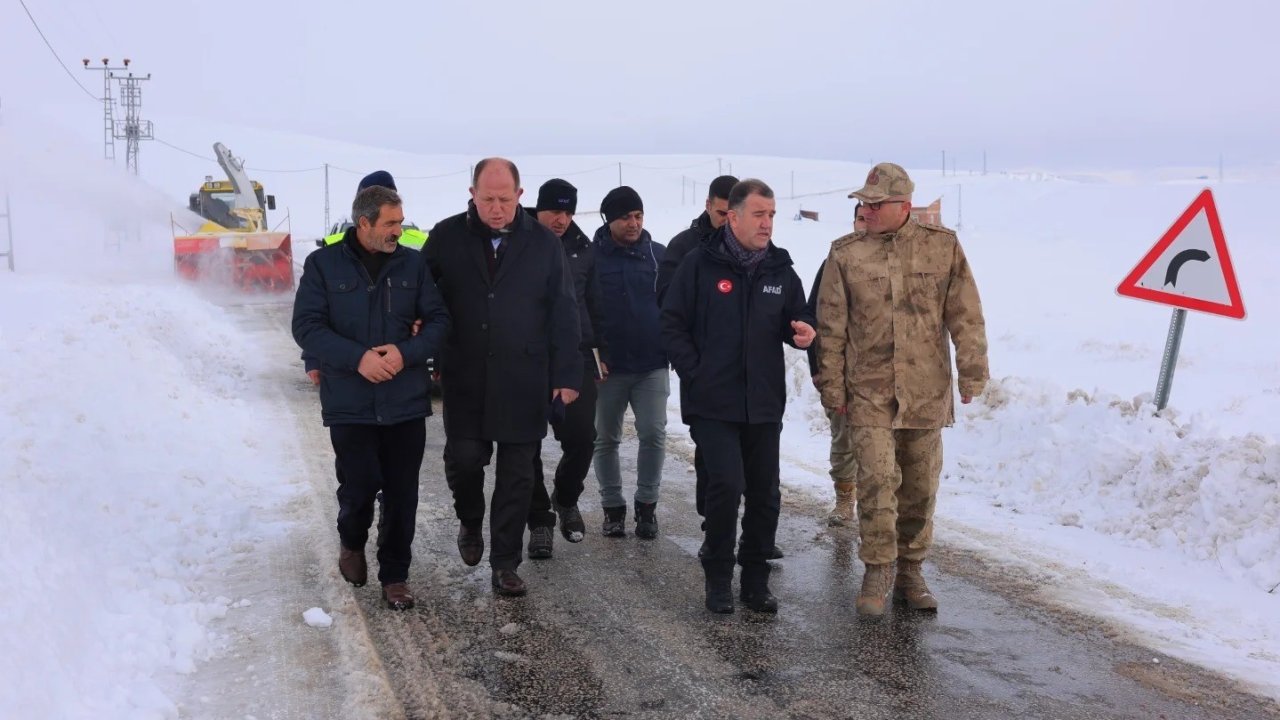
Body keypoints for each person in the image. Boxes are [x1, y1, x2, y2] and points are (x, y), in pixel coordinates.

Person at [815, 163, 989, 616]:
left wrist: (973, 372)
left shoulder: (942, 248)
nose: (866, 211)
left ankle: (911, 570)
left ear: (904, 206)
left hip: (925, 391)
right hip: (868, 392)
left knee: (919, 487)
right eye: (863, 205)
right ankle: (878, 570)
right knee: (876, 482)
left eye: (875, 205)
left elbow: (965, 313)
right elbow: (830, 329)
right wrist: (831, 386)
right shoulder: (846, 255)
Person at [424, 158, 581, 597]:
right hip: (466, 373)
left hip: (524, 376)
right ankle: (471, 519)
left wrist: (566, 373)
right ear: (472, 194)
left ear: (520, 196)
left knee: (517, 476)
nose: (496, 208)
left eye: (505, 199)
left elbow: (564, 310)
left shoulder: (544, 244)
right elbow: (420, 294)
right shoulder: (446, 236)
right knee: (465, 460)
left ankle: (505, 563)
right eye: (488, 199)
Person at [292, 185, 450, 611]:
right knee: (359, 485)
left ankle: (395, 575)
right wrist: (357, 358)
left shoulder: (413, 266)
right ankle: (352, 541)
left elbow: (438, 321)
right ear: (364, 223)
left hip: (404, 402)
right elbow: (306, 326)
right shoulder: (323, 265)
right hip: (351, 402)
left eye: (400, 221)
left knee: (403, 492)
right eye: (391, 223)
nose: (399, 230)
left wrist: (406, 352)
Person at [661, 179, 815, 614]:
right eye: (759, 215)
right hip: (713, 402)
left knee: (765, 492)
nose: (767, 224)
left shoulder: (779, 269)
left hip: (763, 401)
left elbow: (797, 315)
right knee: (726, 485)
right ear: (734, 217)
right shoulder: (699, 265)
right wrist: (696, 373)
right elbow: (671, 323)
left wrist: (802, 330)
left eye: (772, 215)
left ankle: (755, 579)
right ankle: (718, 577)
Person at [525, 178, 607, 559]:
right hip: (524, 358)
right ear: (539, 208)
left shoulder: (582, 249)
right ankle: (539, 521)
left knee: (582, 437)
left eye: (568, 211)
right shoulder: (517, 241)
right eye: (555, 211)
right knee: (523, 446)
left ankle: (566, 495)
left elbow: (592, 303)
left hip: (573, 356)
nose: (562, 219)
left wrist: (598, 350)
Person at [591, 186, 669, 539]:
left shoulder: (659, 256)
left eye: (638, 216)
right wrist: (592, 355)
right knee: (606, 438)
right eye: (626, 217)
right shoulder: (592, 259)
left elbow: (674, 305)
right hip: (608, 368)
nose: (633, 223)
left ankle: (647, 508)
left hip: (652, 363)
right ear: (609, 219)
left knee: (653, 433)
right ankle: (613, 509)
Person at [306, 170, 427, 386]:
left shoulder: (418, 247)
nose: (397, 231)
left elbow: (435, 303)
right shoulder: (330, 254)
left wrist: (422, 323)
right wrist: (313, 358)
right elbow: (314, 316)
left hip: (404, 381)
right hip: (348, 380)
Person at [807, 202, 867, 527]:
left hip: (882, 376)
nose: (865, 224)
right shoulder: (835, 262)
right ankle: (845, 499)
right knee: (844, 441)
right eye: (860, 218)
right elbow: (813, 317)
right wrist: (819, 371)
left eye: (870, 216)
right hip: (841, 372)